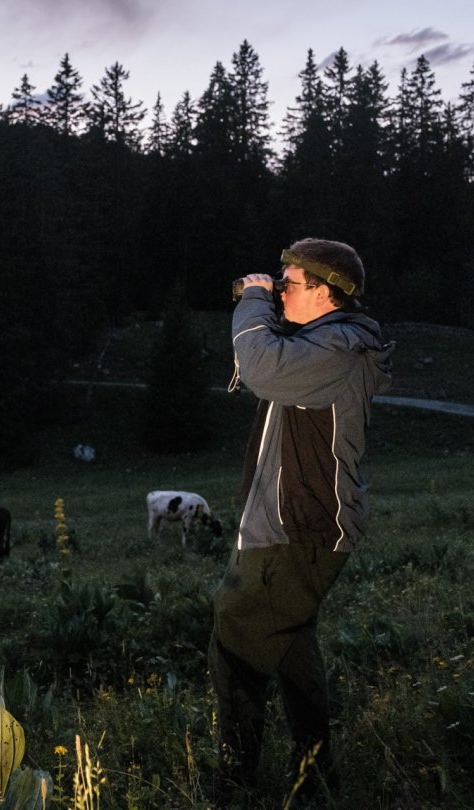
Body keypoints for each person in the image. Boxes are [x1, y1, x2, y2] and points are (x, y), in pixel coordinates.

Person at [210, 238, 394, 806]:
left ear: (324, 291)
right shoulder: (321, 341)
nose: (279, 288)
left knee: (236, 638)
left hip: (300, 530)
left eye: (289, 282)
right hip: (289, 526)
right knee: (290, 647)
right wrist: (266, 303)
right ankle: (315, 774)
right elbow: (265, 366)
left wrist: (254, 300)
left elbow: (260, 366)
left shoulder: (337, 348)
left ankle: (235, 783)